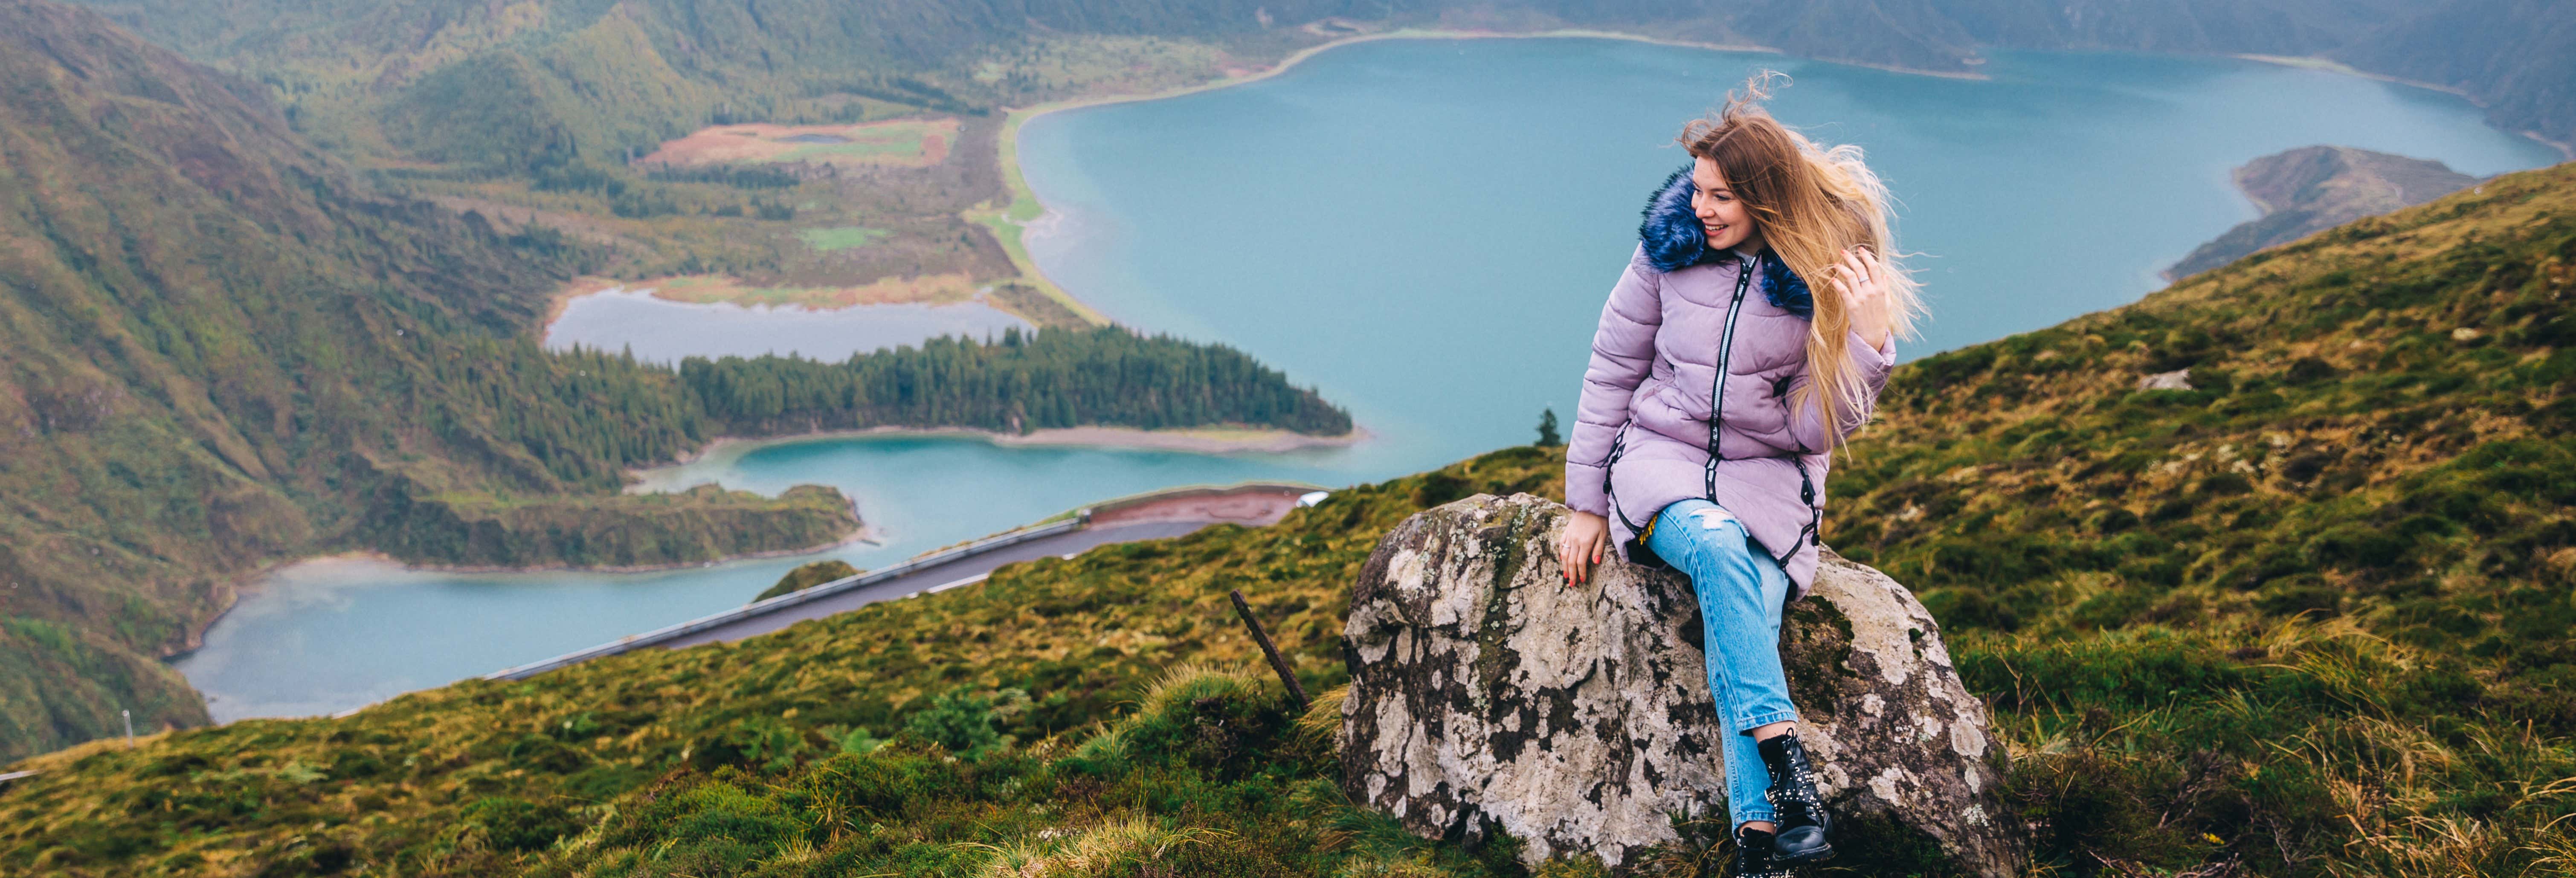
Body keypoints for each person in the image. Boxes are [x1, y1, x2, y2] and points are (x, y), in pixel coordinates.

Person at [1552, 73, 1921, 876]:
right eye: (1697, 192)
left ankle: (1763, 844)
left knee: (1744, 608)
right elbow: (1612, 371)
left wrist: (1864, 340)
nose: (1701, 210)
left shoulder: (1818, 282)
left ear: (1766, 198)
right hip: (1659, 465)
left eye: (1720, 197)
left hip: (1769, 482)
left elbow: (1812, 430)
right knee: (1716, 547)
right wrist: (1586, 504)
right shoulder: (1665, 258)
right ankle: (1788, 763)